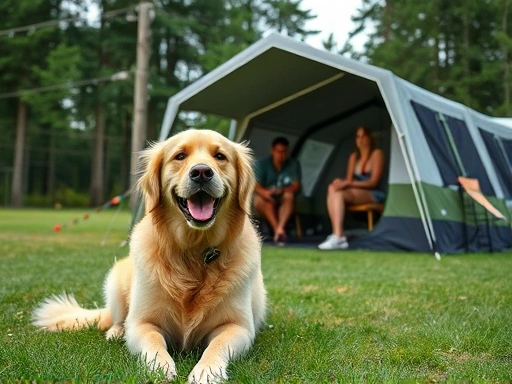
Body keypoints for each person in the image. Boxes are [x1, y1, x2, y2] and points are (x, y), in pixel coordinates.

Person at [318, 126, 386, 250]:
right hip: (355, 192)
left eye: (363, 136)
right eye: (357, 137)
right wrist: (341, 182)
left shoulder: (377, 154)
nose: (359, 140)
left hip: (372, 193)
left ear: (369, 138)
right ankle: (337, 234)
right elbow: (349, 180)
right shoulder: (354, 157)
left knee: (339, 192)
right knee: (333, 188)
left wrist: (348, 184)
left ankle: (338, 237)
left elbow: (373, 182)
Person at [254, 137, 301, 245]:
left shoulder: (293, 164)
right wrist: (266, 193)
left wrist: (282, 190)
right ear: (273, 151)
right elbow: (255, 186)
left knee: (289, 196)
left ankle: (279, 229)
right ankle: (278, 231)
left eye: (285, 152)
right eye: (279, 152)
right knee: (261, 199)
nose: (282, 155)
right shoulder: (261, 164)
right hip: (266, 196)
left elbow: (297, 186)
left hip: (284, 197)